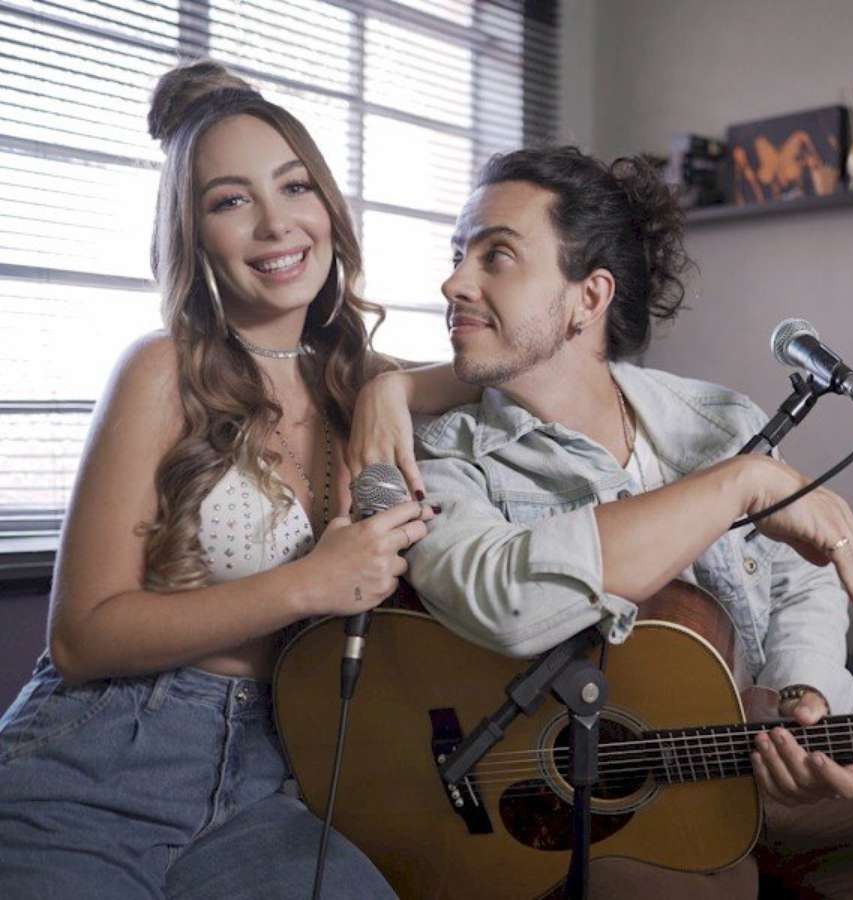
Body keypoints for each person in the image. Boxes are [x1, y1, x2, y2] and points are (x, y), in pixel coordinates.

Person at [391, 146, 853, 899]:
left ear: (588, 297)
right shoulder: (444, 454)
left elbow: (804, 584)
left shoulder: (719, 421)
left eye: (496, 256)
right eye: (457, 255)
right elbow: (499, 600)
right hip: (600, 795)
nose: (454, 282)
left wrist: (808, 698)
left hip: (762, 751)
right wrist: (738, 484)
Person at [0, 61, 471, 899]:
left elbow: (507, 369)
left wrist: (391, 388)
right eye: (230, 201)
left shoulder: (360, 384)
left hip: (269, 779)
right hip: (102, 754)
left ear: (328, 205)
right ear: (193, 234)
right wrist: (308, 584)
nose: (275, 224)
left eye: (294, 186)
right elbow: (80, 638)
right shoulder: (161, 371)